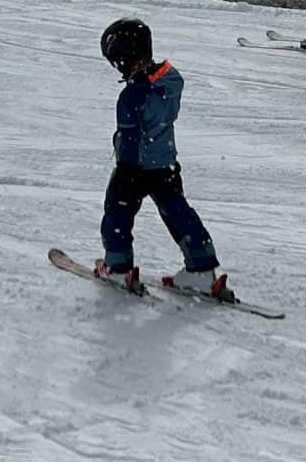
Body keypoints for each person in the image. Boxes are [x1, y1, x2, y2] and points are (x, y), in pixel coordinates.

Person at [92, 17, 232, 300]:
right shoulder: (170, 82)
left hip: (135, 169)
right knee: (178, 213)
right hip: (165, 165)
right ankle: (201, 268)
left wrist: (126, 170)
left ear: (122, 59)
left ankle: (118, 266)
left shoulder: (132, 97)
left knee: (117, 214)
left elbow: (130, 137)